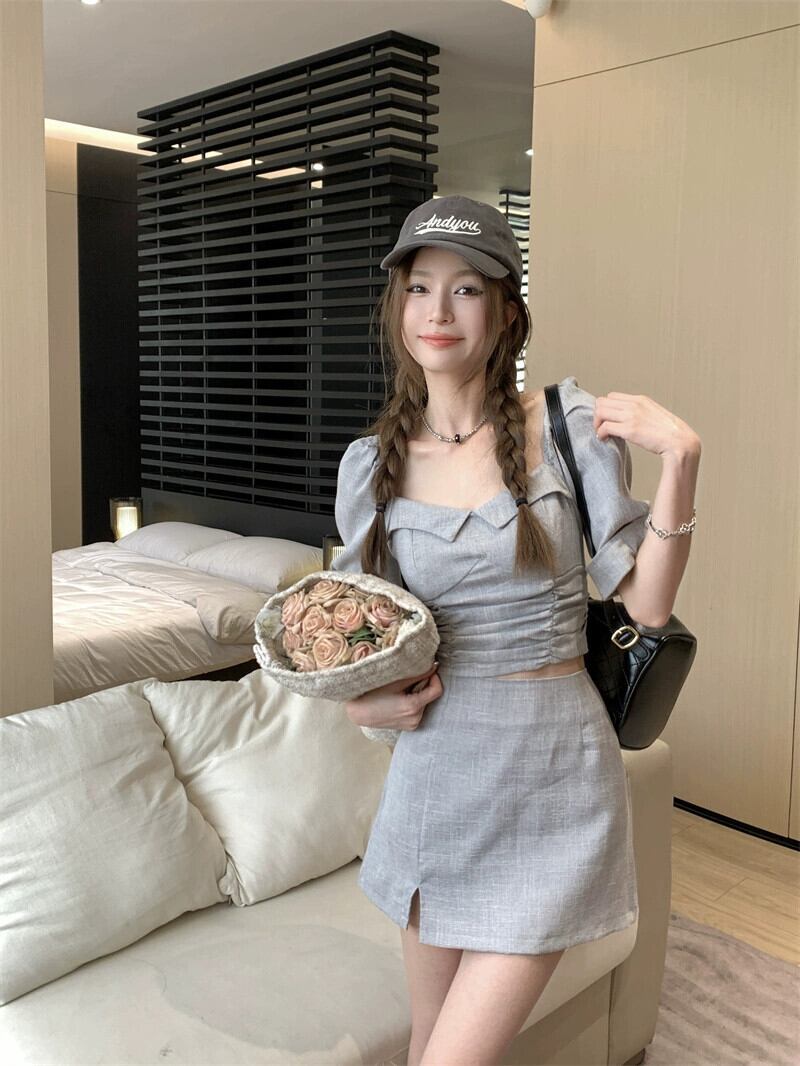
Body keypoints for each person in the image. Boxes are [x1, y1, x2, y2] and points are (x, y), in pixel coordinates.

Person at [329, 194, 701, 1065]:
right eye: (420, 287)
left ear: (505, 312)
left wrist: (682, 463)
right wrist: (362, 708)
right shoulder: (370, 467)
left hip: (552, 781)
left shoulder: (565, 426)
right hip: (434, 784)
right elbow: (366, 646)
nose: (439, 309)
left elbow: (647, 607)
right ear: (398, 308)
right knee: (429, 1044)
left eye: (466, 288)